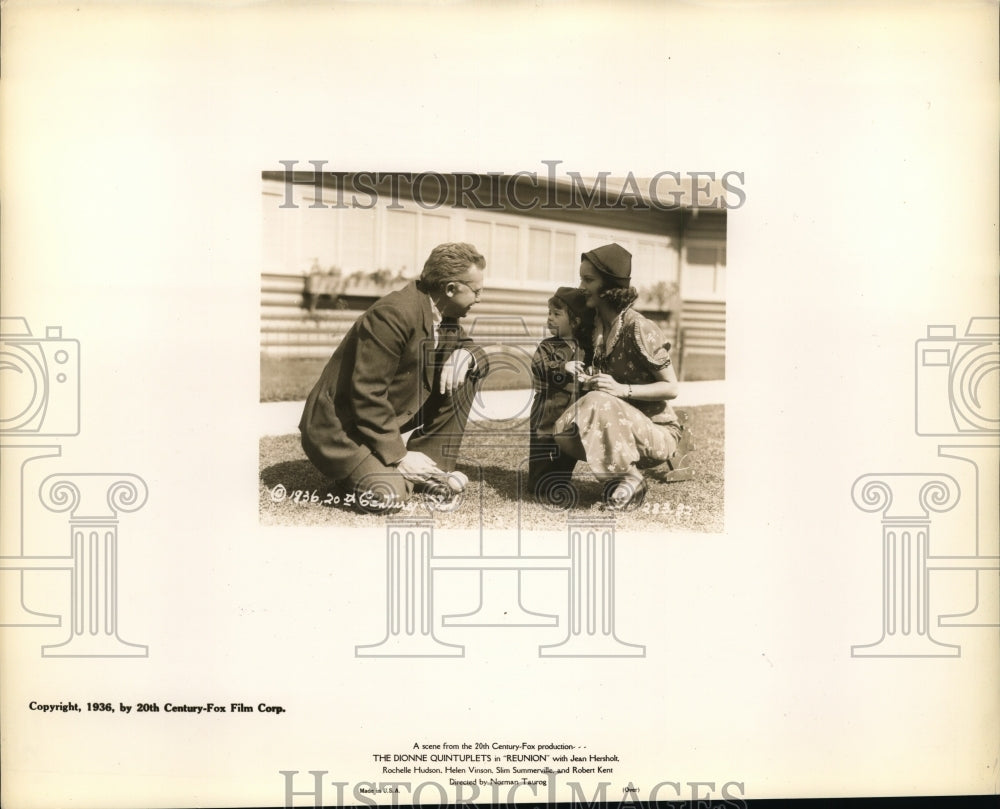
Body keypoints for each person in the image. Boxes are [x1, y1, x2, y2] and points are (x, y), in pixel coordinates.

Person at [299, 242, 488, 512]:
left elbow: (474, 351)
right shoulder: (392, 315)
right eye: (477, 291)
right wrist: (400, 457)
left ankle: (430, 465)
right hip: (339, 427)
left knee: (468, 371)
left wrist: (466, 354)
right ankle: (389, 470)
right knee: (389, 496)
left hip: (370, 420)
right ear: (450, 289)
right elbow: (367, 393)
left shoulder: (443, 312)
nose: (480, 298)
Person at [553, 243, 682, 511]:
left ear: (609, 285)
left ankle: (631, 480)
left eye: (588, 279)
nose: (581, 286)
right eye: (581, 278)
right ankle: (619, 478)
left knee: (598, 400)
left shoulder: (639, 327)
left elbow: (671, 387)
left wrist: (622, 389)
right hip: (619, 425)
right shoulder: (595, 325)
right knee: (563, 432)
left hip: (657, 431)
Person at [527, 287, 594, 502]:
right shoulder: (548, 346)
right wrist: (562, 366)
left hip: (573, 407)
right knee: (542, 443)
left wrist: (590, 375)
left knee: (567, 448)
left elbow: (593, 368)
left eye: (557, 314)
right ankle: (537, 484)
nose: (550, 318)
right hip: (548, 406)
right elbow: (538, 366)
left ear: (575, 322)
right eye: (549, 313)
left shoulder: (586, 349)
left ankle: (559, 483)